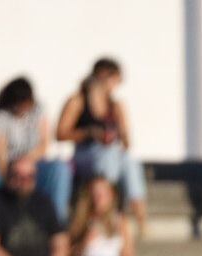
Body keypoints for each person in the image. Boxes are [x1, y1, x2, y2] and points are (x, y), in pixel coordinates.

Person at [57, 58, 149, 236]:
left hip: (109, 155)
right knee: (107, 157)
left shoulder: (115, 105)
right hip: (85, 154)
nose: (118, 85)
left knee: (129, 163)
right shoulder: (78, 101)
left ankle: (141, 220)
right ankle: (110, 212)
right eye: (116, 80)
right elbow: (60, 133)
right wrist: (89, 133)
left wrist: (120, 132)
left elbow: (127, 143)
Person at [0, 77, 72, 222]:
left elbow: (44, 145)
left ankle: (57, 223)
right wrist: (16, 175)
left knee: (60, 169)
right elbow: (0, 158)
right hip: (4, 168)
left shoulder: (38, 110)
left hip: (31, 164)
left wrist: (26, 165)